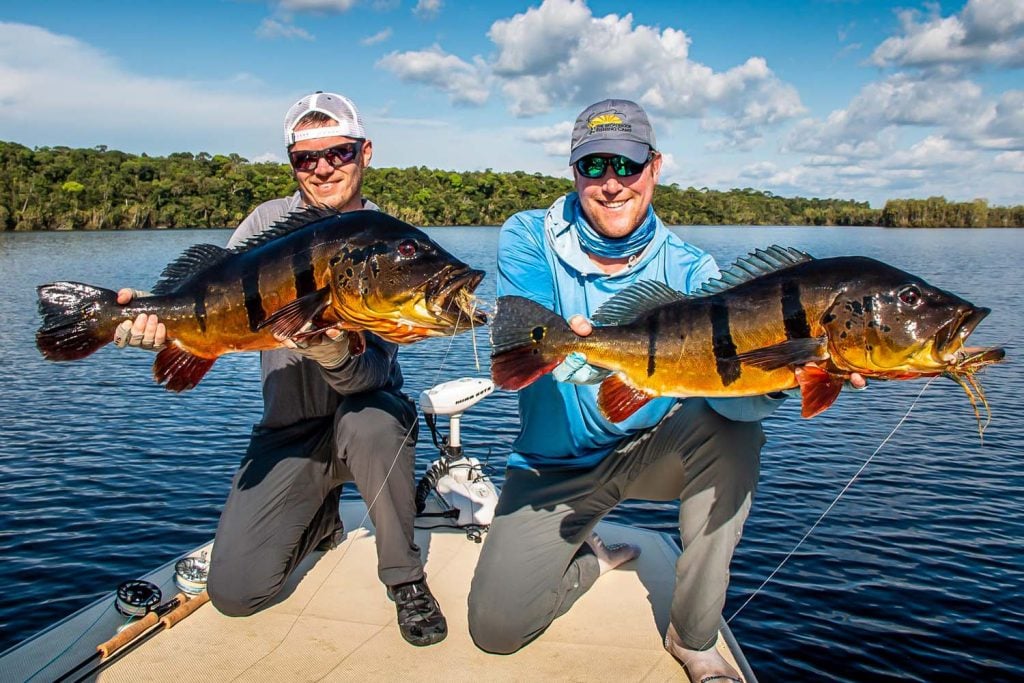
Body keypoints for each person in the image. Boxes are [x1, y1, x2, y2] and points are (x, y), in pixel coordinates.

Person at [467, 99, 863, 680]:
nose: (610, 184)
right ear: (573, 171)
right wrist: (585, 352)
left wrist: (796, 374)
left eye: (626, 166)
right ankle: (588, 559)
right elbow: (530, 345)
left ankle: (693, 635)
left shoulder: (695, 273)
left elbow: (737, 396)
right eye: (594, 166)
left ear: (654, 167)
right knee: (496, 631)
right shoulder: (528, 236)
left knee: (736, 435)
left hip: (653, 448)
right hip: (551, 465)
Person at [113, 91, 447, 647]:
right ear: (292, 163)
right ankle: (320, 519)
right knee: (237, 594)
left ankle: (405, 579)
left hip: (368, 418)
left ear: (365, 152)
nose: (322, 168)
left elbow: (366, 378)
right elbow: (215, 305)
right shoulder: (265, 222)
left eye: (337, 153)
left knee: (372, 421)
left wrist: (330, 348)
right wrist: (155, 323)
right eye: (305, 159)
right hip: (287, 429)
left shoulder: (390, 243)